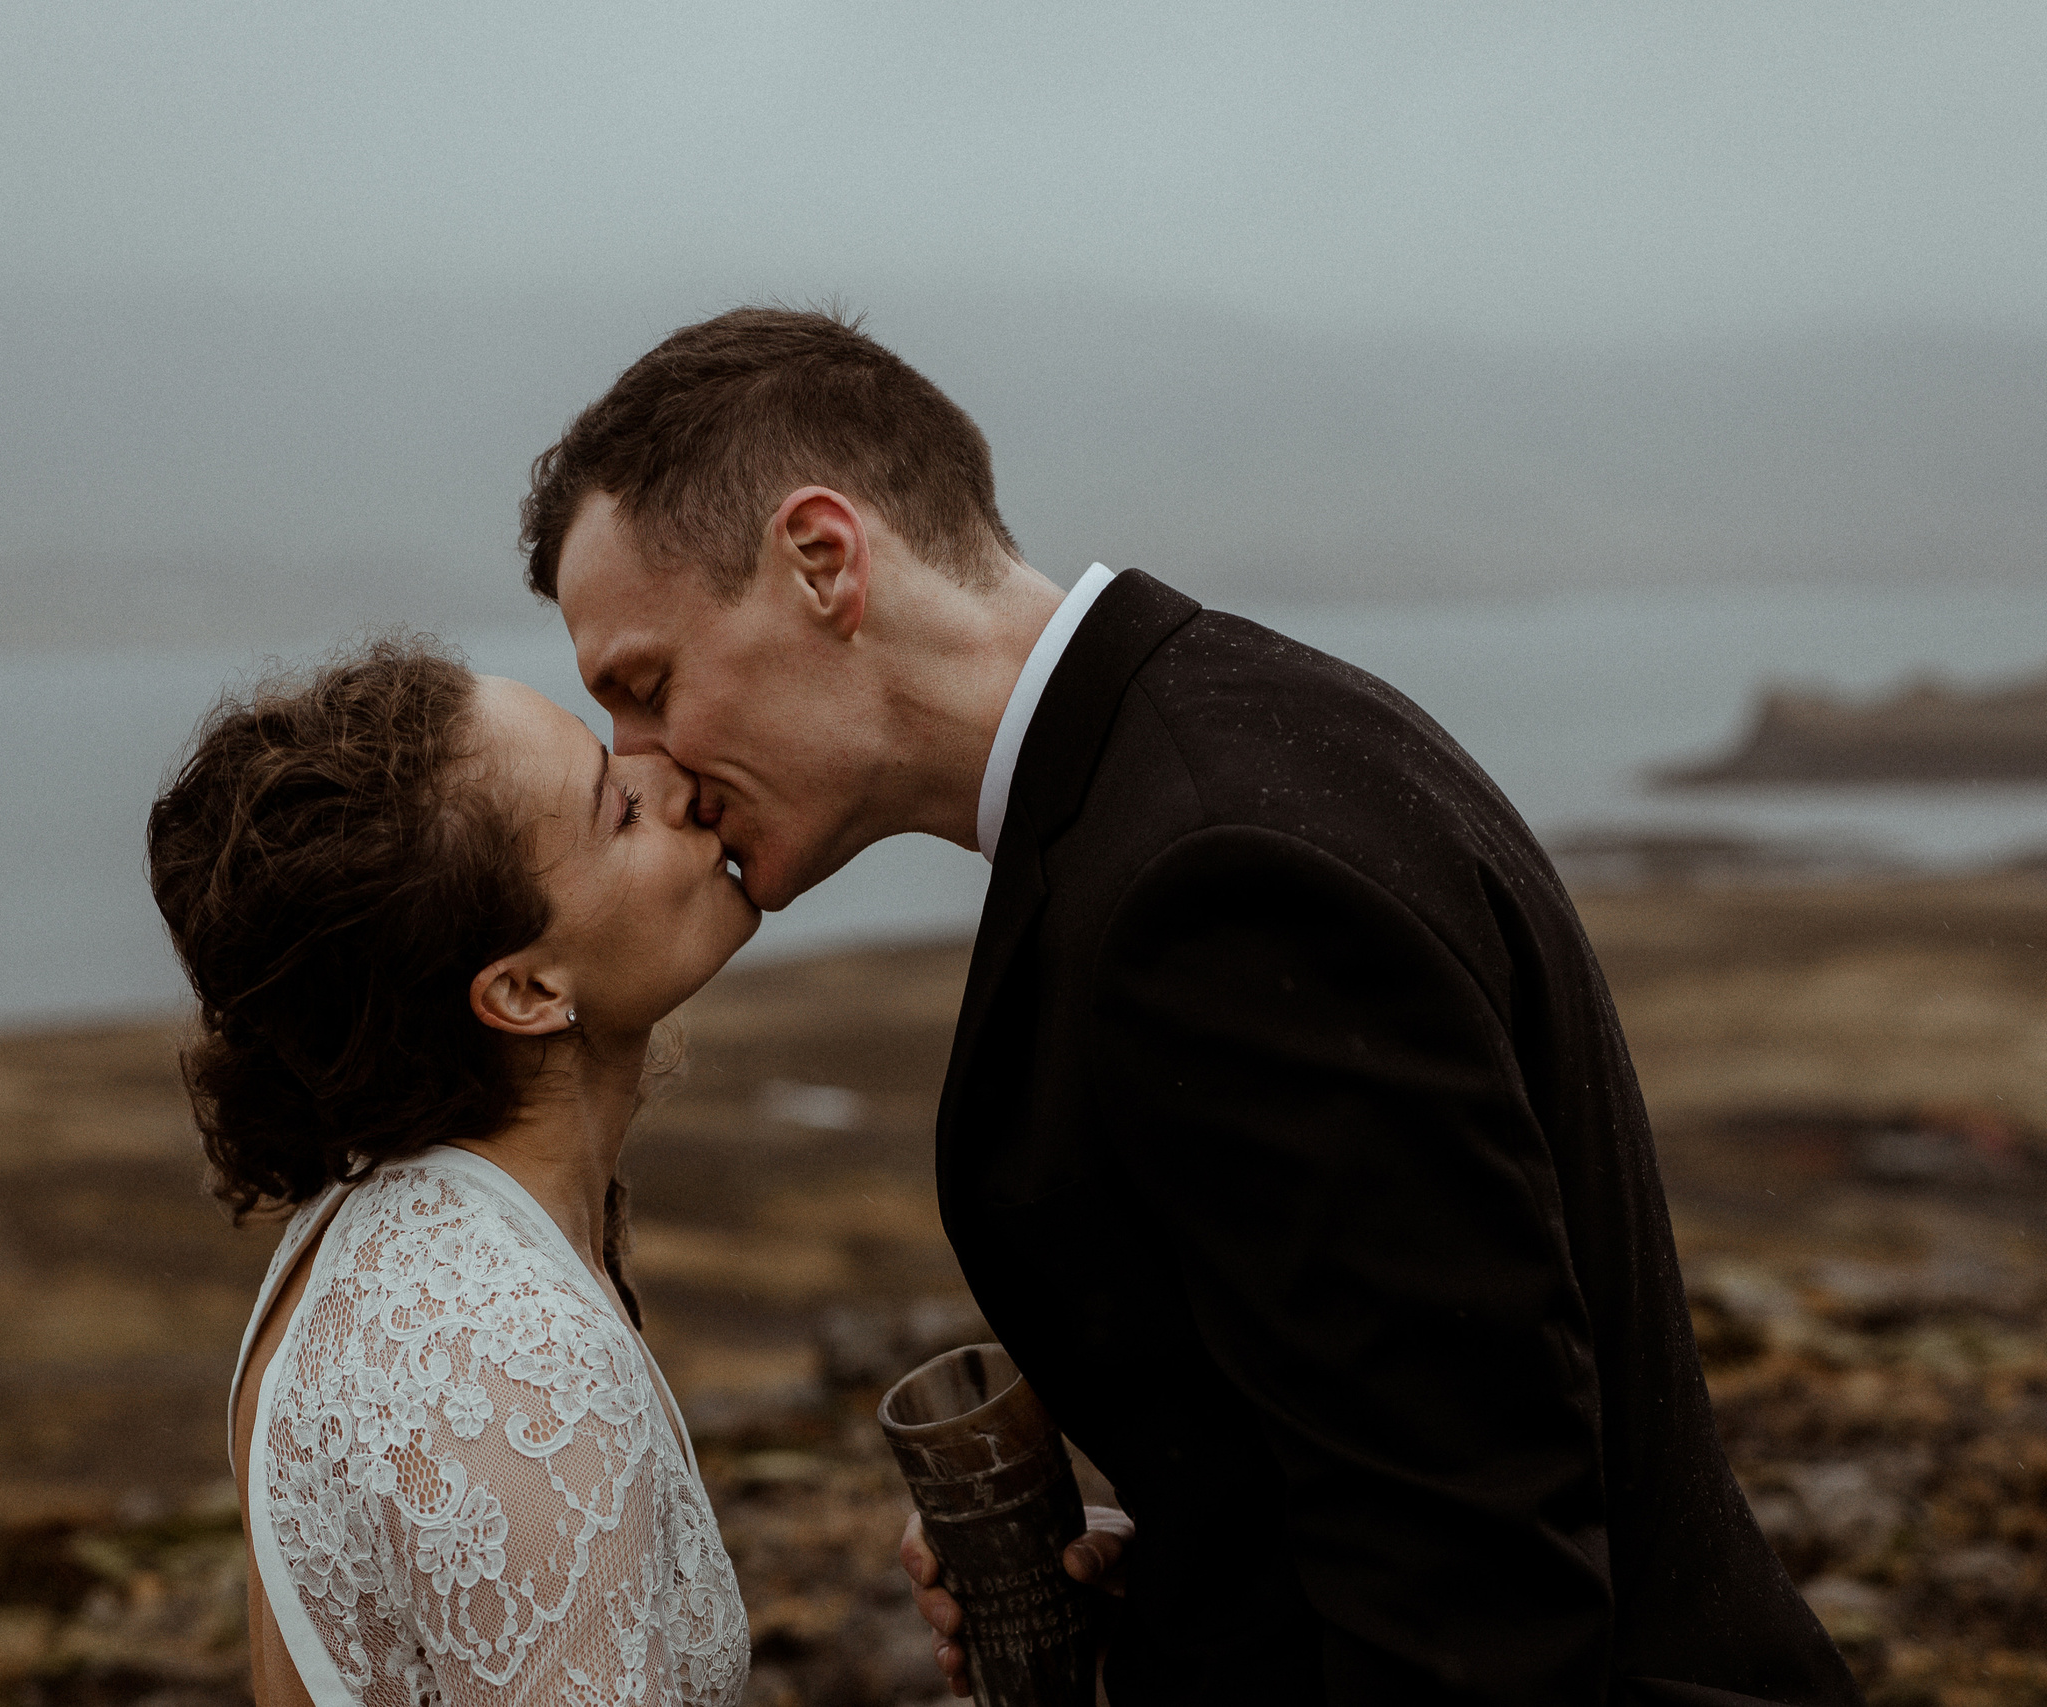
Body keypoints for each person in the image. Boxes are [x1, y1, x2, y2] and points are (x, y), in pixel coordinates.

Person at [520, 307, 1863, 1703]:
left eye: (647, 684)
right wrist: (1184, 1581)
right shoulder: (1215, 739)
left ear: (822, 559)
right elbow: (1372, 1451)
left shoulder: (1211, 882)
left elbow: (1471, 1592)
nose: (644, 764)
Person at [145, 638, 758, 1705]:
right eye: (616, 810)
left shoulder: (365, 1246)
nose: (678, 782)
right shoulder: (511, 1361)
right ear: (522, 991)